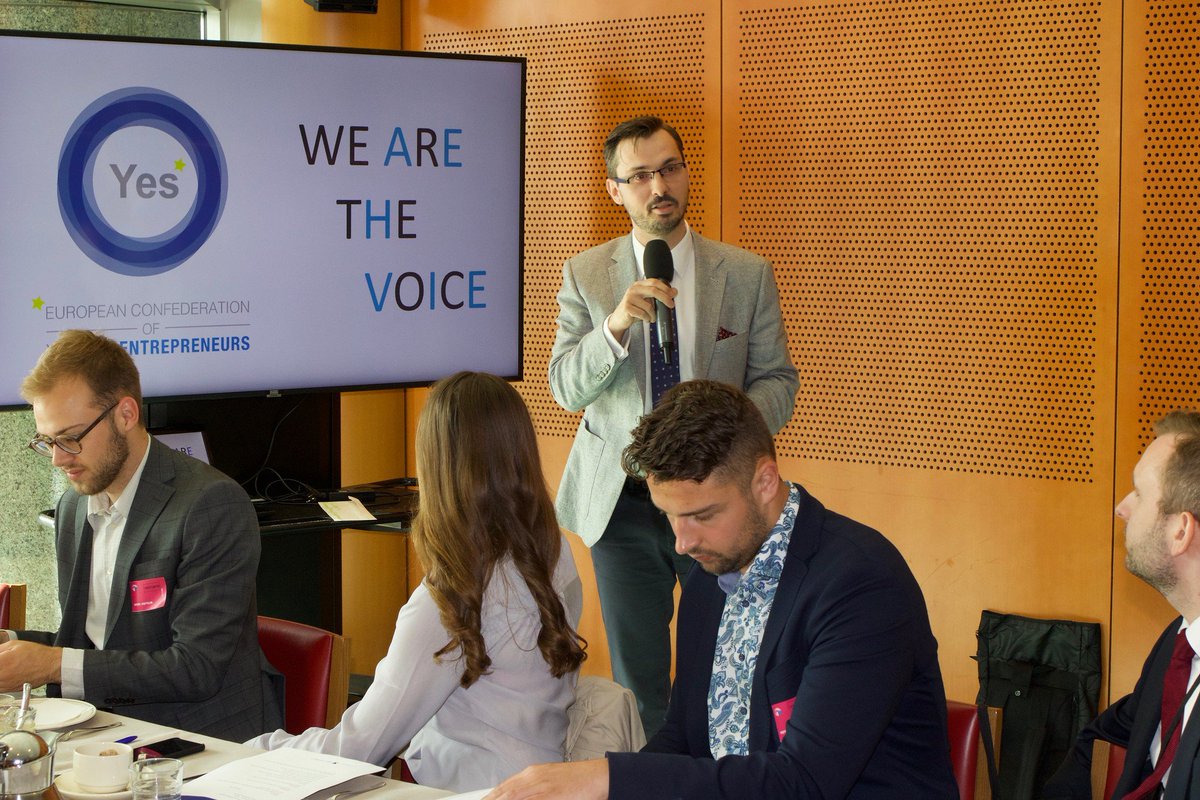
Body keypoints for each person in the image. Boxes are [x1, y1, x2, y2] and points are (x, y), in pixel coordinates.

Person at [490, 380, 957, 800]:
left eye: (703, 515)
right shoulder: (711, 576)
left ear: (765, 481)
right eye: (669, 514)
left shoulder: (860, 584)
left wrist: (607, 779)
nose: (682, 541)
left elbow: (805, 782)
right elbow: (684, 740)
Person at [549, 114, 799, 738]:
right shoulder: (586, 275)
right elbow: (563, 388)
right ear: (616, 190)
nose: (658, 185)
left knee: (726, 663)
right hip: (625, 507)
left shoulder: (743, 274)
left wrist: (724, 437)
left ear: (684, 173)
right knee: (640, 683)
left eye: (668, 168)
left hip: (719, 498)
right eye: (639, 176)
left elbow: (777, 381)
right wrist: (612, 327)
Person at [249, 371, 587, 792]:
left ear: (437, 466)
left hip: (472, 789)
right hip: (542, 777)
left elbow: (357, 752)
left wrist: (259, 751)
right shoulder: (554, 552)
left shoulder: (451, 600)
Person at [0, 329, 281, 740]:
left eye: (71, 438)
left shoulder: (210, 504)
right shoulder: (75, 505)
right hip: (105, 734)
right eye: (47, 441)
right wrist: (12, 643)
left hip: (200, 744)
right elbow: (93, 641)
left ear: (126, 415)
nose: (59, 459)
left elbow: (195, 668)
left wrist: (52, 664)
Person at [1043, 411, 1200, 799]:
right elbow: (1105, 732)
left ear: (1181, 530)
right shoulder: (1177, 643)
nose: (1122, 508)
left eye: (1140, 493)